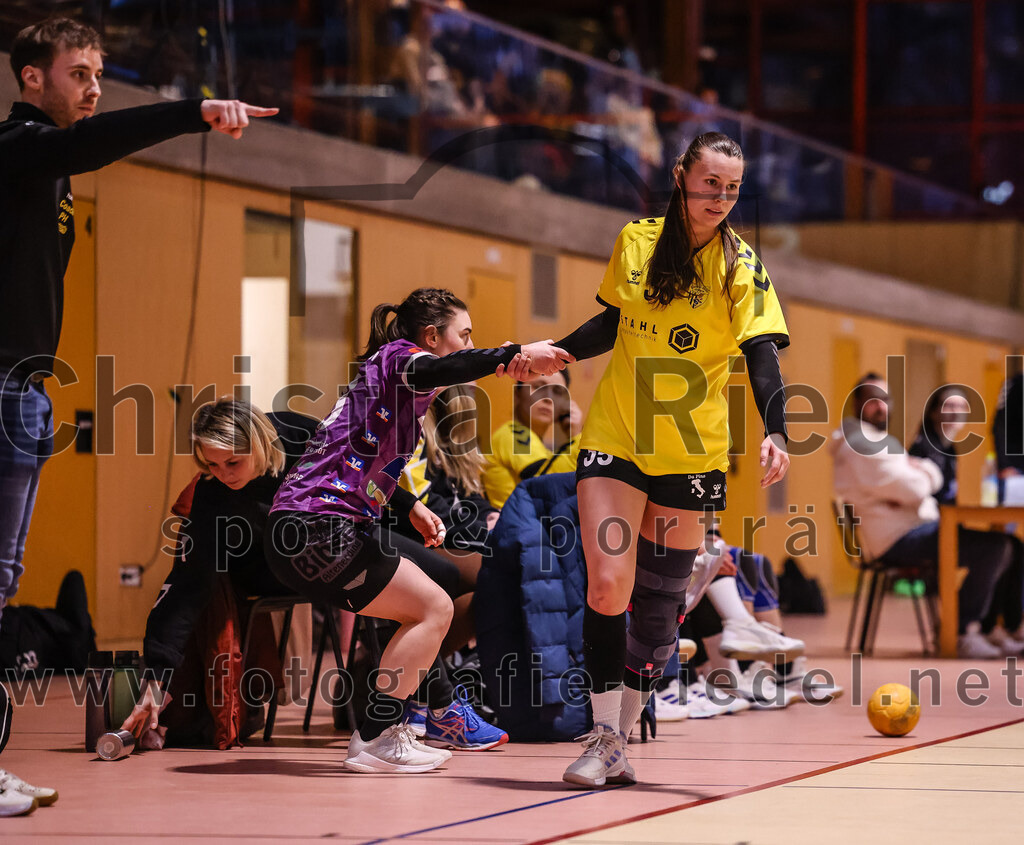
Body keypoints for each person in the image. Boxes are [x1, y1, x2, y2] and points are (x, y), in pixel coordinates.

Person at [0, 17, 277, 817]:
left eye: (98, 73)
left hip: (24, 392)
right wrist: (193, 111)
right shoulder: (19, 147)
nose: (92, 87)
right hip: (4, 392)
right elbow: (93, 145)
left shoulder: (45, 169)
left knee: (5, 582)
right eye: (78, 72)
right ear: (30, 79)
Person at [537, 132, 791, 787]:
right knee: (606, 583)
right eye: (710, 183)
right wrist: (558, 352)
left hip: (692, 447)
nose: (720, 198)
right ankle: (602, 735)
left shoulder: (742, 265)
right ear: (681, 176)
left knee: (658, 605)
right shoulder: (638, 240)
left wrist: (777, 429)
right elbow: (613, 324)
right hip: (617, 436)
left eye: (732, 189)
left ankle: (621, 733)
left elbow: (762, 351)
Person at [264, 287, 570, 773]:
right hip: (318, 529)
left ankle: (392, 728)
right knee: (433, 607)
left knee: (422, 608)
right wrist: (514, 353)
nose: (470, 344)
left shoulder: (391, 382)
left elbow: (355, 460)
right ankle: (377, 737)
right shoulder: (403, 360)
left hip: (308, 530)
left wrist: (407, 505)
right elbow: (441, 368)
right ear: (431, 336)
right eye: (464, 335)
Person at [119, 399, 317, 743]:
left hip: (333, 548)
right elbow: (184, 591)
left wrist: (412, 509)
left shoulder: (303, 434)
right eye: (212, 463)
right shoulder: (213, 495)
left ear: (258, 444)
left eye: (233, 462)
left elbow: (366, 471)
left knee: (433, 575)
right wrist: (154, 682)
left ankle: (413, 705)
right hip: (264, 569)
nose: (224, 473)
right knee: (198, 587)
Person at [831, 375, 1015, 659]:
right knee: (996, 547)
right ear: (856, 403)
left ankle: (980, 628)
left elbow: (913, 491)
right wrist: (924, 471)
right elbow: (917, 489)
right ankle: (961, 631)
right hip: (897, 538)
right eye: (872, 399)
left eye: (885, 399)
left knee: (1002, 544)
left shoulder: (877, 441)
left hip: (908, 528)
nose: (881, 406)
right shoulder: (863, 444)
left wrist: (911, 478)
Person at [910, 386, 1024, 654]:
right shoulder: (923, 446)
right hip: (925, 530)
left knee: (1013, 545)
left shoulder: (950, 447)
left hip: (944, 526)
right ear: (934, 411)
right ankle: (963, 628)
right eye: (948, 407)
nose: (955, 413)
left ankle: (996, 627)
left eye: (961, 408)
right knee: (998, 548)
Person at [481, 370, 582, 509]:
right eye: (539, 387)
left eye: (558, 392)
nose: (548, 398)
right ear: (518, 394)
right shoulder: (512, 433)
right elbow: (546, 484)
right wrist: (578, 440)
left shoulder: (543, 448)